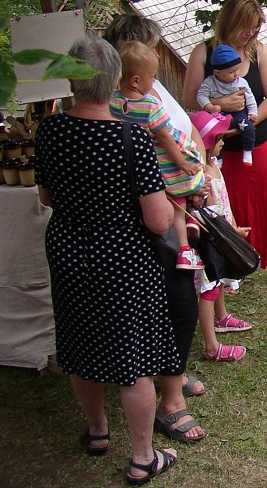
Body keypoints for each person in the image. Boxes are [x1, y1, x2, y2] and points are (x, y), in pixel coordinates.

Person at [35, 37, 181, 485]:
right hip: (122, 259)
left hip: (69, 250)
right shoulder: (131, 137)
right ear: (116, 80)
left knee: (80, 345)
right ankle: (142, 457)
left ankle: (98, 431)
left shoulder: (50, 132)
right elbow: (158, 220)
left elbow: (45, 197)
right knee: (132, 361)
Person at [102, 15, 207, 443]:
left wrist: (196, 176)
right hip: (152, 209)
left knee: (175, 298)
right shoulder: (122, 99)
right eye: (152, 47)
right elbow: (151, 149)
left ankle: (170, 375)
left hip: (173, 194)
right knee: (175, 301)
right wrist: (182, 185)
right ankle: (170, 401)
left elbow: (180, 130)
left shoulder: (145, 88)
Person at [183, 0, 267, 294]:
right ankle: (234, 264)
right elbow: (189, 97)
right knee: (223, 206)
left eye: (256, 27)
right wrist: (220, 105)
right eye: (247, 27)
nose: (252, 33)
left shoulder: (260, 52)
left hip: (256, 144)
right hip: (218, 150)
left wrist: (247, 124)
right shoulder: (204, 53)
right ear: (231, 22)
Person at [111, 41, 206, 271]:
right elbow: (164, 136)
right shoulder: (149, 105)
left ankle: (191, 225)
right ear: (135, 81)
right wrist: (182, 162)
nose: (154, 82)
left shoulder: (113, 102)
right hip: (165, 161)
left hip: (142, 165)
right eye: (152, 77)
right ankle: (186, 247)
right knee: (184, 197)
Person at [188, 110, 252, 362]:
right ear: (206, 143)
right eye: (219, 139)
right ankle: (211, 345)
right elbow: (209, 213)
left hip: (223, 232)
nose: (223, 143)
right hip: (211, 238)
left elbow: (224, 203)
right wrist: (231, 232)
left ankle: (222, 316)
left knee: (218, 279)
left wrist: (233, 226)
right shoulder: (200, 175)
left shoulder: (214, 164)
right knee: (209, 287)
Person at [197, 45, 258, 166]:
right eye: (231, 72)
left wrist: (253, 112)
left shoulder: (241, 82)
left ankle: (247, 151)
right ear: (217, 72)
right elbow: (201, 96)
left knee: (249, 127)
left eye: (237, 69)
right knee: (215, 134)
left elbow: (250, 97)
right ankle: (217, 158)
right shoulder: (209, 83)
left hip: (239, 114)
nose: (236, 74)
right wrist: (210, 107)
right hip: (219, 115)